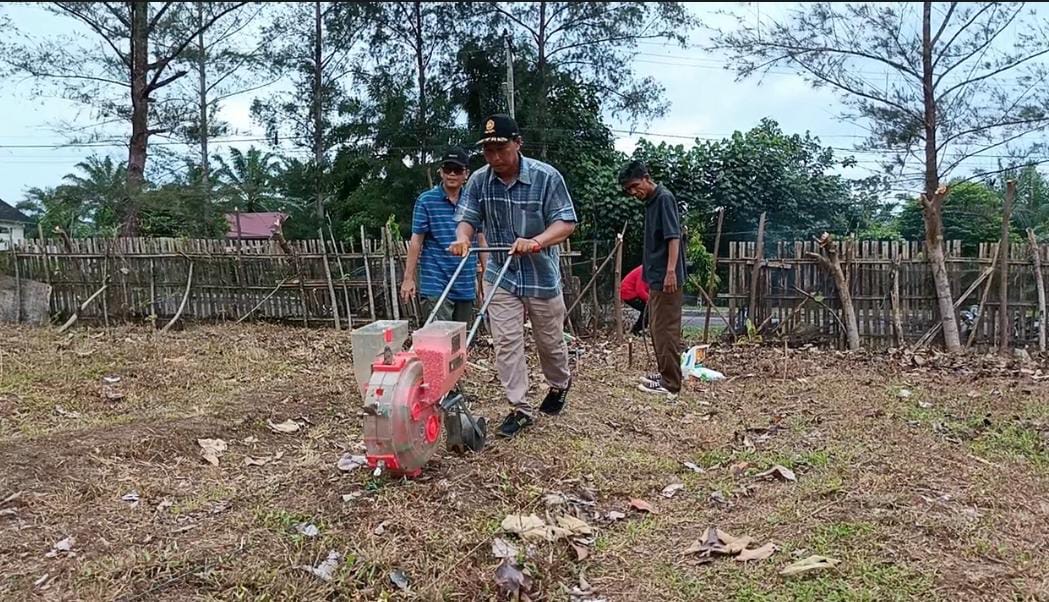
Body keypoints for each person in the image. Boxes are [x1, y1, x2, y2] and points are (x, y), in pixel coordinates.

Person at [450, 114, 577, 438]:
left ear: (518, 144)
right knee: (506, 341)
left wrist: (536, 242)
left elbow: (566, 222)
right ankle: (520, 408)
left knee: (549, 342)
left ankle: (560, 383)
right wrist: (463, 238)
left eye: (501, 150)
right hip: (501, 275)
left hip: (540, 275)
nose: (494, 158)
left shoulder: (546, 178)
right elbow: (468, 216)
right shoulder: (479, 180)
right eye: (488, 151)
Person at [619, 160, 686, 396]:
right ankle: (666, 373)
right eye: (629, 190)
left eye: (635, 186)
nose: (633, 192)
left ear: (647, 178)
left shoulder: (664, 198)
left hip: (667, 277)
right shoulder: (651, 202)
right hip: (656, 276)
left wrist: (670, 271)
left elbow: (673, 237)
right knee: (657, 328)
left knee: (666, 330)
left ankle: (671, 385)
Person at [401, 146, 487, 323]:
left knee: (462, 342)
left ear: (466, 174)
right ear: (441, 172)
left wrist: (485, 279)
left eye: (457, 170)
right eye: (448, 169)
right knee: (439, 342)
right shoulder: (426, 201)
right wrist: (408, 279)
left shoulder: (474, 201)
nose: (452, 174)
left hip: (465, 282)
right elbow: (416, 241)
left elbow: (481, 240)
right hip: (436, 282)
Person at [620, 264, 650, 336]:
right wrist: (650, 300)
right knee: (648, 309)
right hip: (628, 293)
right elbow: (640, 290)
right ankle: (637, 330)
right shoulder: (643, 271)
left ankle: (641, 328)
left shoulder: (648, 271)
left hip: (633, 292)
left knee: (649, 309)